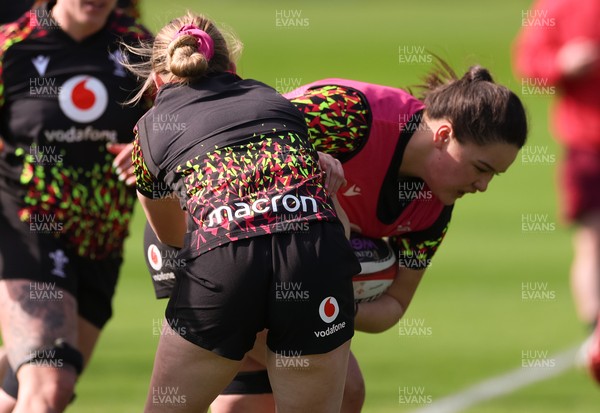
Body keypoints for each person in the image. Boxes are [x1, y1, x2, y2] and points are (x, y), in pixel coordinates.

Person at [144, 62, 529, 412]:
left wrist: (336, 294)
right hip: (203, 232)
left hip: (283, 264)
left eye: (494, 175)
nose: (483, 185)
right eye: (481, 168)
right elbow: (235, 129)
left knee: (247, 403)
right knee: (341, 390)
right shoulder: (351, 114)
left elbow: (395, 305)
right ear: (444, 134)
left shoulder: (432, 207)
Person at [127, 11, 361, 413]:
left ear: (159, 78)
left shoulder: (148, 128)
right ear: (231, 66)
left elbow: (172, 238)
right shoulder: (276, 100)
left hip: (224, 259)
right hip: (314, 252)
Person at [0, 0, 152, 411]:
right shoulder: (12, 47)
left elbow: (185, 129)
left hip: (102, 243)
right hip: (30, 231)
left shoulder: (141, 49)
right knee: (49, 387)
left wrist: (147, 151)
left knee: (19, 392)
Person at [513, 0, 600, 383]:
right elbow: (529, 64)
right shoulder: (560, 6)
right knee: (593, 240)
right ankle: (597, 337)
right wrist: (564, 63)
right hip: (587, 145)